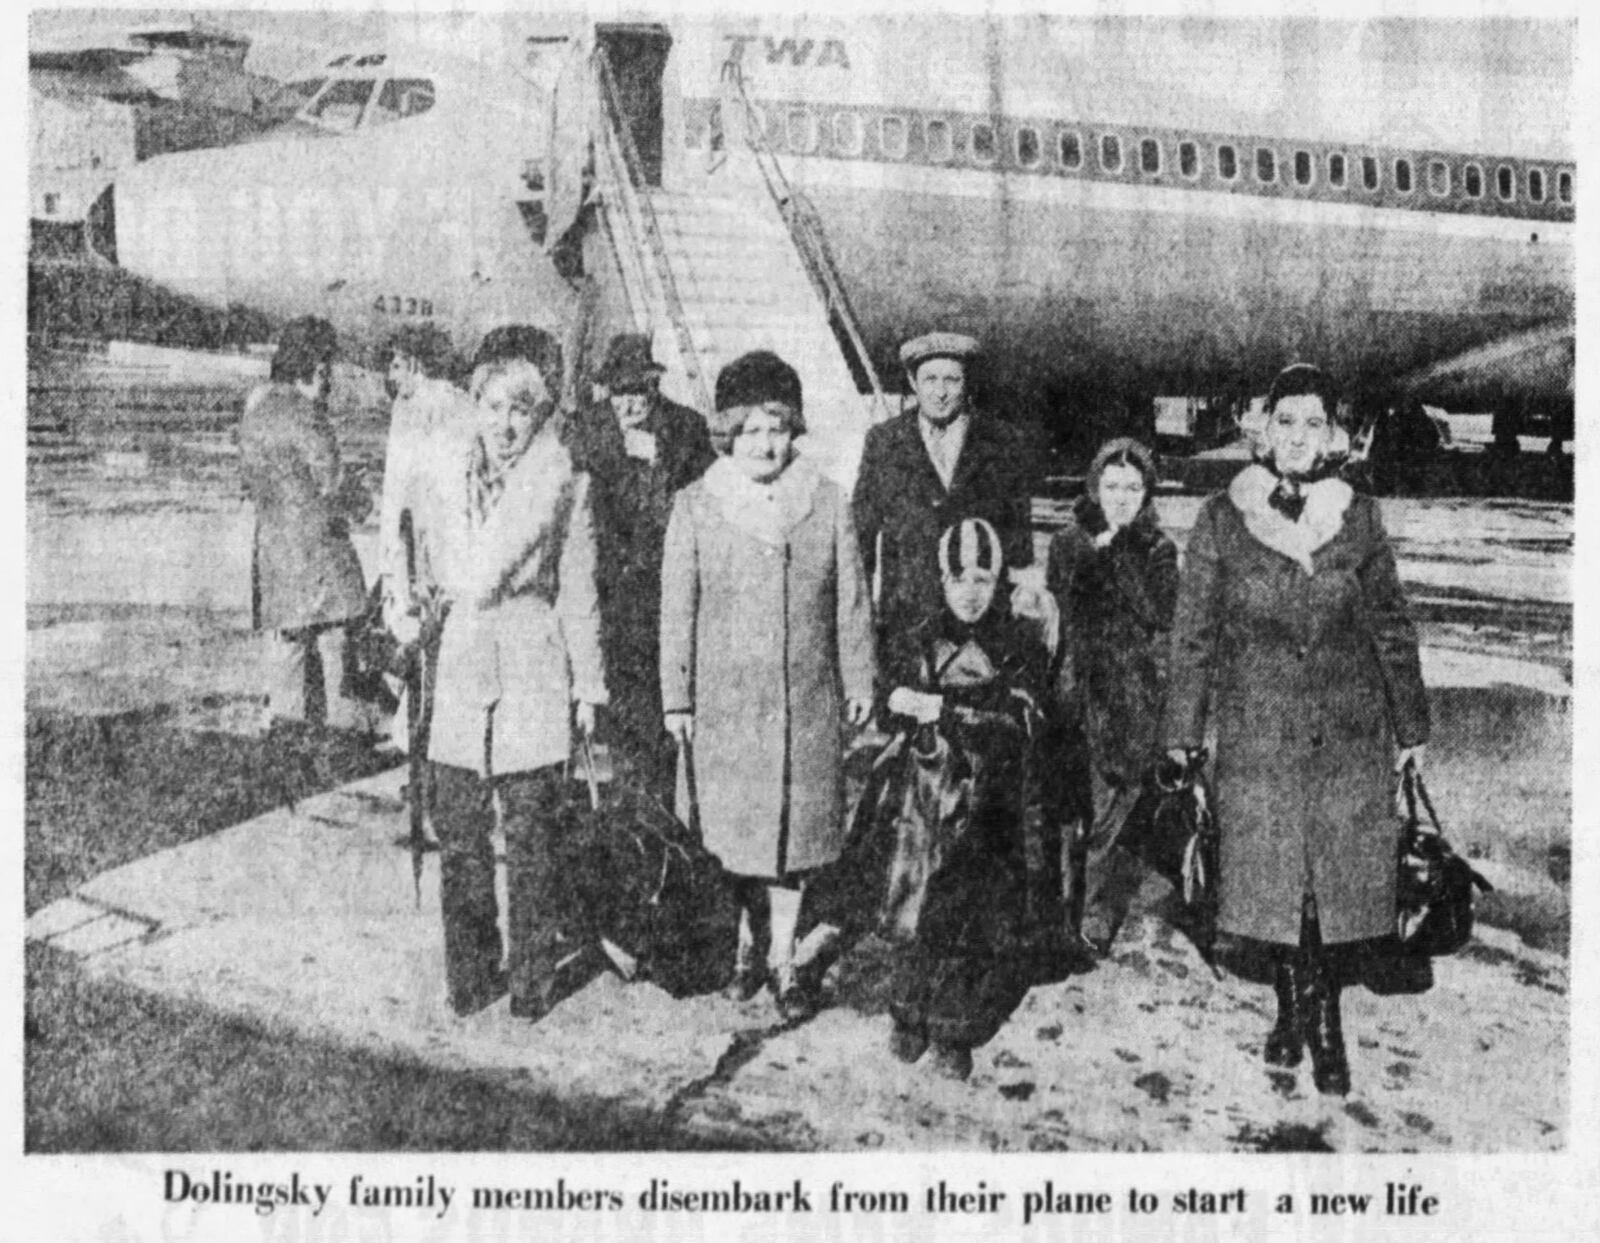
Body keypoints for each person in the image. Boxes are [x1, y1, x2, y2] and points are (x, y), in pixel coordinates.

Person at [1162, 363, 1429, 1095]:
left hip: (1347, 730)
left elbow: (1392, 626)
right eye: (1286, 422)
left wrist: (1411, 721)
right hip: (1261, 732)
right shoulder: (1223, 515)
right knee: (1279, 886)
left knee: (1331, 887)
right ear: (1263, 429)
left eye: (1314, 423)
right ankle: (1292, 1011)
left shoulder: (1359, 514)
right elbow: (1193, 634)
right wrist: (1183, 729)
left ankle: (1324, 1022)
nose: (1299, 437)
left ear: (1334, 435)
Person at [659, 350, 875, 1018]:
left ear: (794, 430)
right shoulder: (697, 504)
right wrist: (678, 697)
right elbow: (677, 608)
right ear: (727, 434)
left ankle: (782, 956)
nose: (764, 442)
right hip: (727, 708)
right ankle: (744, 947)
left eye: (776, 427)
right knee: (734, 837)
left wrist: (858, 674)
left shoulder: (826, 500)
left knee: (793, 847)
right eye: (750, 429)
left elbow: (852, 600)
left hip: (806, 702)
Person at [425, 352, 608, 1019]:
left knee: (531, 835)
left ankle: (531, 979)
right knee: (461, 834)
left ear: (540, 418)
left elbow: (579, 591)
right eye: (494, 407)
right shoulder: (445, 477)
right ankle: (471, 975)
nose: (504, 424)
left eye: (520, 410)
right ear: (476, 409)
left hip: (533, 661)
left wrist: (588, 686)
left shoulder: (565, 483)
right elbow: (432, 563)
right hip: (463, 661)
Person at [880, 518, 1048, 1081]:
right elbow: (892, 698)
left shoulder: (1017, 640)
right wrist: (897, 702)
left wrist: (945, 710)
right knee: (915, 901)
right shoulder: (922, 635)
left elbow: (1023, 715)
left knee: (972, 914)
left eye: (982, 577)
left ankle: (956, 1027)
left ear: (998, 579)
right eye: (958, 578)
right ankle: (909, 1011)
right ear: (941, 580)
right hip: (926, 792)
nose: (970, 591)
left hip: (989, 797)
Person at [1045, 438, 1179, 953]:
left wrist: (1120, 551)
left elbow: (1159, 617)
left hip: (1130, 697)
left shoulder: (1158, 550)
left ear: (1146, 494)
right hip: (1077, 690)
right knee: (1071, 808)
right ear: (1094, 488)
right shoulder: (1068, 543)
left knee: (1115, 809)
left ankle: (1095, 912)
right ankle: (1063, 907)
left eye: (1132, 487)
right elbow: (1058, 615)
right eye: (1111, 486)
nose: (1120, 497)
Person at [582, 333, 714, 785]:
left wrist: (657, 466)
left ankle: (661, 804)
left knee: (662, 711)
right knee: (618, 710)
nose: (629, 403)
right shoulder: (587, 428)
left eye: (638, 391)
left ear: (653, 388)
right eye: (620, 392)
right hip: (607, 589)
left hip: (664, 591)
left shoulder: (687, 429)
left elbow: (703, 506)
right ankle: (627, 804)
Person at [853, 332, 1036, 644]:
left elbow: (1019, 546)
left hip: (979, 628)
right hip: (907, 629)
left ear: (967, 383)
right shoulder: (884, 443)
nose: (940, 392)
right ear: (913, 382)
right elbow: (861, 542)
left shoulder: (1003, 443)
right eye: (930, 379)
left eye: (952, 380)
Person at [237, 316, 371, 733]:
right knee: (336, 656)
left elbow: (251, 481)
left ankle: (285, 739)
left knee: (287, 654)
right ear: (315, 365)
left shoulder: (257, 410)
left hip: (274, 552)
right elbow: (331, 483)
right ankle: (342, 741)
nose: (330, 375)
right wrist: (360, 495)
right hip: (320, 557)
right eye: (327, 364)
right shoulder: (307, 415)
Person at [375, 325, 475, 841]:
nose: (390, 377)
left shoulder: (418, 410)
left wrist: (395, 565)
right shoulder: (464, 405)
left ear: (414, 364)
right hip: (454, 559)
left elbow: (406, 494)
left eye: (395, 366)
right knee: (442, 674)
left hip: (427, 560)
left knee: (427, 672)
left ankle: (431, 782)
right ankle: (438, 775)